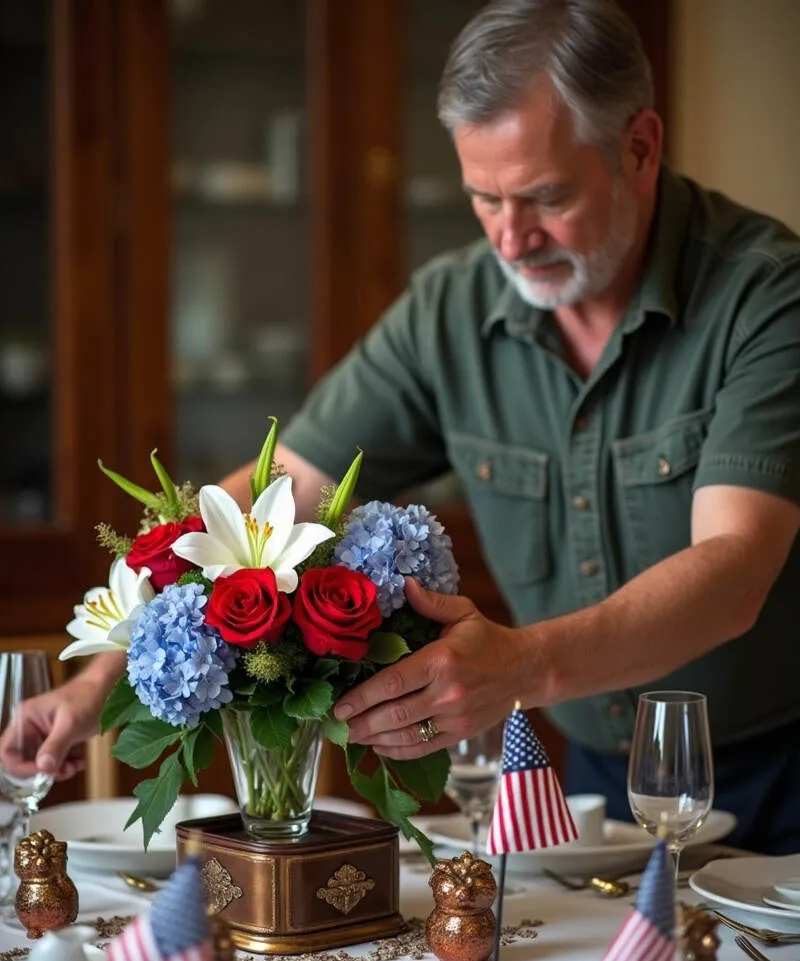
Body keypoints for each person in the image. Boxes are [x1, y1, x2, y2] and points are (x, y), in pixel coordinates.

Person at [9, 0, 800, 853]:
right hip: (601, 786)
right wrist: (100, 679)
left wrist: (523, 666)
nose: (510, 238)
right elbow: (274, 503)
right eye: (482, 197)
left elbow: (734, 572)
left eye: (545, 197)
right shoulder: (448, 310)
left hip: (782, 769)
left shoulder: (766, 294)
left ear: (640, 147)